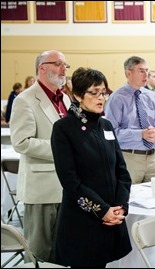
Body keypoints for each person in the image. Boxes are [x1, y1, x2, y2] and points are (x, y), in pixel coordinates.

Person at [50, 67, 132, 267]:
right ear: (77, 95)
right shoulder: (63, 129)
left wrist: (120, 207)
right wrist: (102, 210)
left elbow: (122, 172)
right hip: (83, 220)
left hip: (112, 216)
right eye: (93, 93)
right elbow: (70, 181)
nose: (100, 98)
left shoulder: (106, 126)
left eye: (103, 92)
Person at [9, 50, 72, 262]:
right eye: (58, 64)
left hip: (68, 185)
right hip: (42, 186)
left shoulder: (64, 98)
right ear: (42, 67)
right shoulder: (25, 99)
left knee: (63, 247)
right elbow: (21, 142)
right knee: (40, 249)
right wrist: (62, 149)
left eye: (65, 64)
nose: (64, 68)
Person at [104, 56, 155, 184]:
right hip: (129, 158)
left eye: (147, 70)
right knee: (130, 199)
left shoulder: (150, 96)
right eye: (141, 71)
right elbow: (111, 133)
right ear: (128, 73)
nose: (146, 75)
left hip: (152, 158)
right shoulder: (117, 98)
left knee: (152, 199)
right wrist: (140, 134)